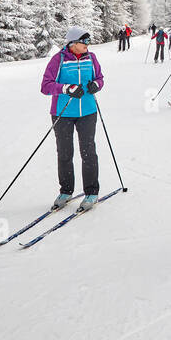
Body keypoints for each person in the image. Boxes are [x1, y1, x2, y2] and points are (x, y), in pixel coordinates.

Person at [40, 27, 104, 212]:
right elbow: (45, 86)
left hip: (88, 112)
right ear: (72, 43)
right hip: (63, 113)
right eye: (83, 42)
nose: (87, 45)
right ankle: (66, 191)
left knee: (88, 152)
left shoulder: (91, 58)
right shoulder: (58, 60)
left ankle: (91, 192)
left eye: (87, 42)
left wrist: (96, 85)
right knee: (65, 153)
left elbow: (100, 78)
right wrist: (66, 88)